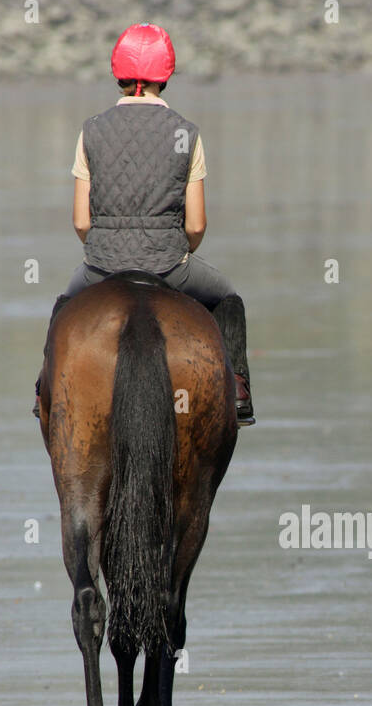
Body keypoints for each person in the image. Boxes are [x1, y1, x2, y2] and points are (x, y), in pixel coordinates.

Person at [35, 22, 254, 424]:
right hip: (169, 266)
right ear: (166, 75)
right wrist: (173, 253)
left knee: (65, 305)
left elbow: (81, 221)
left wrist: (107, 246)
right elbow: (196, 226)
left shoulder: (92, 130)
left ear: (118, 73)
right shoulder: (186, 133)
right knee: (228, 299)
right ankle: (239, 393)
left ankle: (42, 392)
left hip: (101, 266)